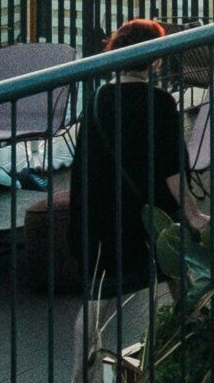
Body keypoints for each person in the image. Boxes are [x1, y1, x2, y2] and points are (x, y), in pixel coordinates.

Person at [65, 17, 191, 305]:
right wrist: (193, 215)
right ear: (154, 59)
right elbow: (174, 171)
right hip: (147, 222)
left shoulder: (97, 99)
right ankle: (191, 336)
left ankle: (84, 353)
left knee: (97, 302)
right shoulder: (160, 103)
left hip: (99, 223)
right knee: (179, 276)